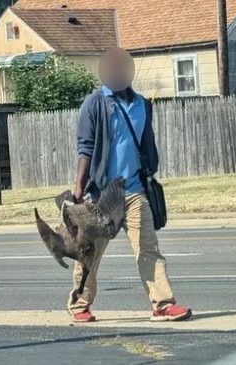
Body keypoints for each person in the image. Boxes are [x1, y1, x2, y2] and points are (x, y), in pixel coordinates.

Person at [67, 47, 192, 323]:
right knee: (90, 254)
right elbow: (85, 147)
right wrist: (79, 188)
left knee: (148, 249)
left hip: (134, 191)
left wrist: (149, 175)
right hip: (101, 195)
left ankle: (163, 304)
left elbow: (147, 146)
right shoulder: (95, 103)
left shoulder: (141, 105)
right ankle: (79, 305)